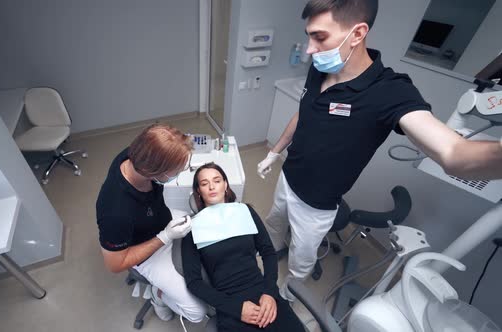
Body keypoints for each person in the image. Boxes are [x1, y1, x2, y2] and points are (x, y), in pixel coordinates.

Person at [257, 0, 502, 302]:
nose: (309, 48)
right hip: (287, 176)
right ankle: (270, 255)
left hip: (316, 203)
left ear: (357, 34)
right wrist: (276, 151)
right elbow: (304, 111)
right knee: (273, 223)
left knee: (301, 259)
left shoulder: (389, 91)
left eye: (319, 37)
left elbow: (453, 153)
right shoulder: (319, 70)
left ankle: (287, 296)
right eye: (309, 35)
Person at [95, 124, 207, 322]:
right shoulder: (116, 212)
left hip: (160, 219)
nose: (179, 174)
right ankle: (159, 297)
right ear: (153, 171)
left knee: (206, 227)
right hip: (147, 251)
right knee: (197, 313)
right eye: (176, 171)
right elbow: (115, 264)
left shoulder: (136, 155)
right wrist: (165, 237)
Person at [181, 163, 305, 332]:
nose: (211, 186)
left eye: (217, 180)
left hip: (263, 293)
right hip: (229, 303)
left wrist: (270, 292)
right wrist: (236, 309)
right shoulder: (191, 229)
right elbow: (193, 282)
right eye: (204, 183)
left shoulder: (245, 211)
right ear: (198, 192)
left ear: (225, 185)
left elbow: (268, 252)